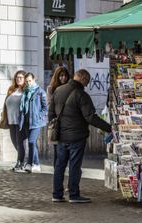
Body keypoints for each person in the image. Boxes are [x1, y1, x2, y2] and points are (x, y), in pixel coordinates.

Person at [49, 69, 112, 203]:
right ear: (82, 79)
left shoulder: (58, 91)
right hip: (77, 136)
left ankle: (57, 194)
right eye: (87, 82)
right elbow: (90, 117)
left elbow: (50, 114)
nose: (87, 85)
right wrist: (109, 128)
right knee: (74, 165)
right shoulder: (81, 95)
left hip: (61, 136)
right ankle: (74, 194)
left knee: (59, 165)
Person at [19, 72, 48, 173]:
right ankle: (37, 164)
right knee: (33, 144)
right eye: (26, 81)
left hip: (36, 122)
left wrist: (39, 116)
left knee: (31, 141)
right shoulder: (25, 92)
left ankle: (30, 163)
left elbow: (45, 108)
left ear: (34, 79)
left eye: (30, 81)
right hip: (26, 121)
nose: (28, 83)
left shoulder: (40, 92)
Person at [0, 70, 26, 171]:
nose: (18, 79)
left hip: (20, 121)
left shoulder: (26, 91)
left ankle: (20, 163)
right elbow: (6, 104)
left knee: (19, 143)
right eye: (17, 77)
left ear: (24, 79)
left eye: (21, 77)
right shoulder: (11, 90)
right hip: (11, 121)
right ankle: (22, 161)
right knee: (14, 142)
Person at [47, 66, 70, 167]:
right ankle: (57, 169)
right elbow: (49, 105)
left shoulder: (70, 88)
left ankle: (62, 167)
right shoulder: (51, 89)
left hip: (68, 121)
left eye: (65, 76)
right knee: (57, 148)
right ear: (57, 77)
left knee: (67, 148)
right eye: (61, 76)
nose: (63, 78)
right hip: (57, 122)